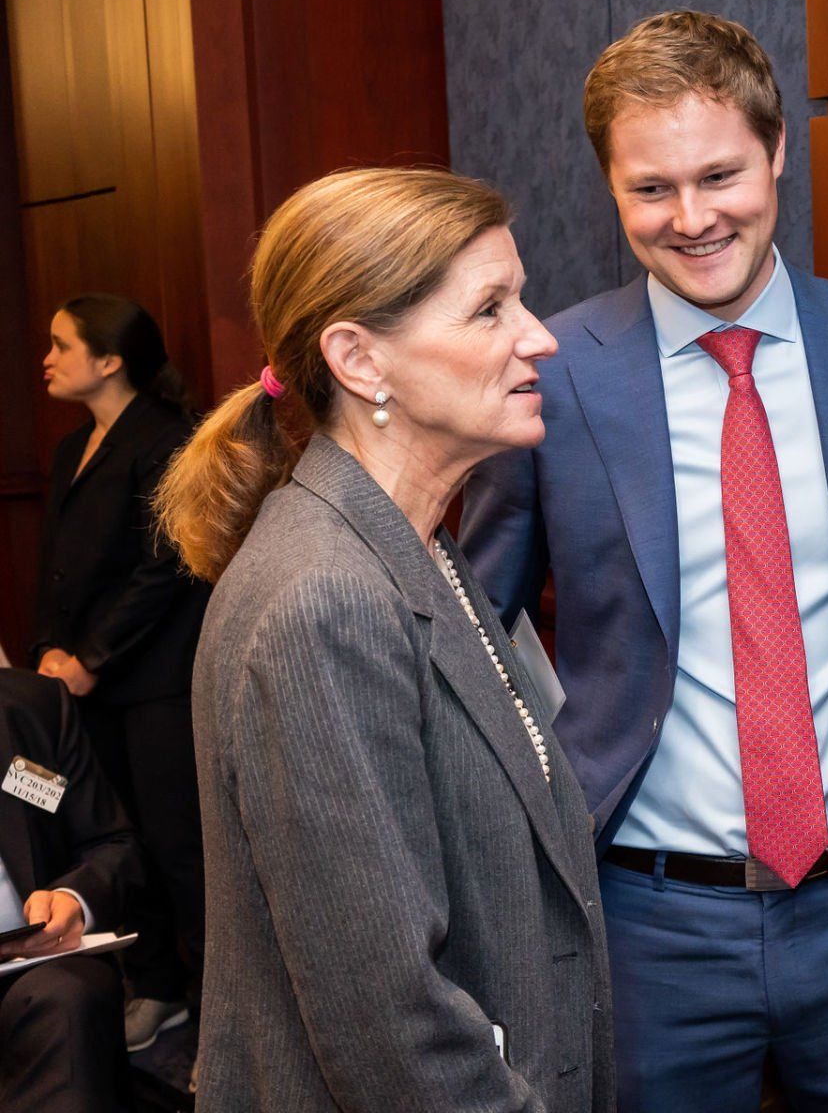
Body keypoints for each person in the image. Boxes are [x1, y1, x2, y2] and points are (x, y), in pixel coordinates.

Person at [461, 9, 828, 1111]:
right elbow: (477, 634)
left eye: (719, 174)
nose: (691, 218)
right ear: (611, 188)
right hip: (647, 926)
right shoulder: (555, 375)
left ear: (777, 153)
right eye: (651, 188)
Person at [155, 168, 614, 1111]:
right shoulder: (324, 600)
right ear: (360, 361)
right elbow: (391, 1031)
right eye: (489, 309)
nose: (539, 336)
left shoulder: (415, 546)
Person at [32, 293, 207, 1051]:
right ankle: (157, 986)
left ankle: (215, 1012)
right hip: (82, 686)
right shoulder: (73, 446)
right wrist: (50, 650)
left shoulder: (168, 439)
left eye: (61, 345)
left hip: (155, 684)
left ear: (109, 361)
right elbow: (56, 566)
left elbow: (165, 568)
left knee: (179, 848)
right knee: (115, 841)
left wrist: (91, 659)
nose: (46, 359)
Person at [0, 664, 143, 1112]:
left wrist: (73, 899)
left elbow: (112, 844)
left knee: (67, 1001)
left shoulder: (33, 707)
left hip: (35, 963)